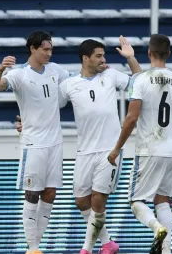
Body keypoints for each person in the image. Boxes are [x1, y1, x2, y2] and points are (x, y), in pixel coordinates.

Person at [107, 34, 172, 254]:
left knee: (136, 201)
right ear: (169, 54)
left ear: (149, 53)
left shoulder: (141, 80)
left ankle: (156, 227)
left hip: (149, 150)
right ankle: (166, 250)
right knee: (163, 201)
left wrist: (116, 148)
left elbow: (131, 118)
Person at [0, 31, 70, 254]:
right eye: (45, 49)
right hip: (33, 142)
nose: (49, 53)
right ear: (32, 49)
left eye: (51, 49)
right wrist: (0, 69)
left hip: (55, 142)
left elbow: (75, 83)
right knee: (32, 193)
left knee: (51, 193)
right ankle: (32, 247)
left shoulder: (56, 70)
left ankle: (35, 245)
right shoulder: (20, 74)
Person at [57, 37, 142, 254]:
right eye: (98, 56)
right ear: (85, 59)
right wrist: (25, 123)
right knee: (81, 200)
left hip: (109, 150)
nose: (103, 59)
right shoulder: (68, 85)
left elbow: (140, 82)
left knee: (98, 199)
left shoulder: (111, 75)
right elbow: (49, 109)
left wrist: (130, 57)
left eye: (104, 55)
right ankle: (108, 243)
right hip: (84, 150)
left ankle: (86, 249)